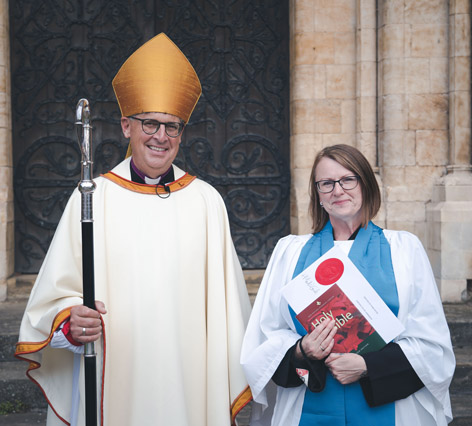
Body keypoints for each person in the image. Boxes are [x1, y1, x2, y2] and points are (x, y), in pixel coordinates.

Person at [15, 33, 252, 426]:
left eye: (172, 127)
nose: (161, 136)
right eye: (150, 124)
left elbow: (229, 314)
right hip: (112, 372)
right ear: (126, 126)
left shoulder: (206, 201)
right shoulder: (93, 196)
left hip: (189, 384)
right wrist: (71, 321)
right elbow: (53, 298)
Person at [241, 144, 455, 426]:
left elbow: (431, 344)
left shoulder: (403, 249)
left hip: (391, 408)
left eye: (348, 179)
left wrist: (368, 367)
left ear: (365, 184)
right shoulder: (289, 251)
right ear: (317, 194)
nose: (338, 190)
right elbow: (266, 336)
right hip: (307, 405)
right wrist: (303, 350)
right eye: (326, 183)